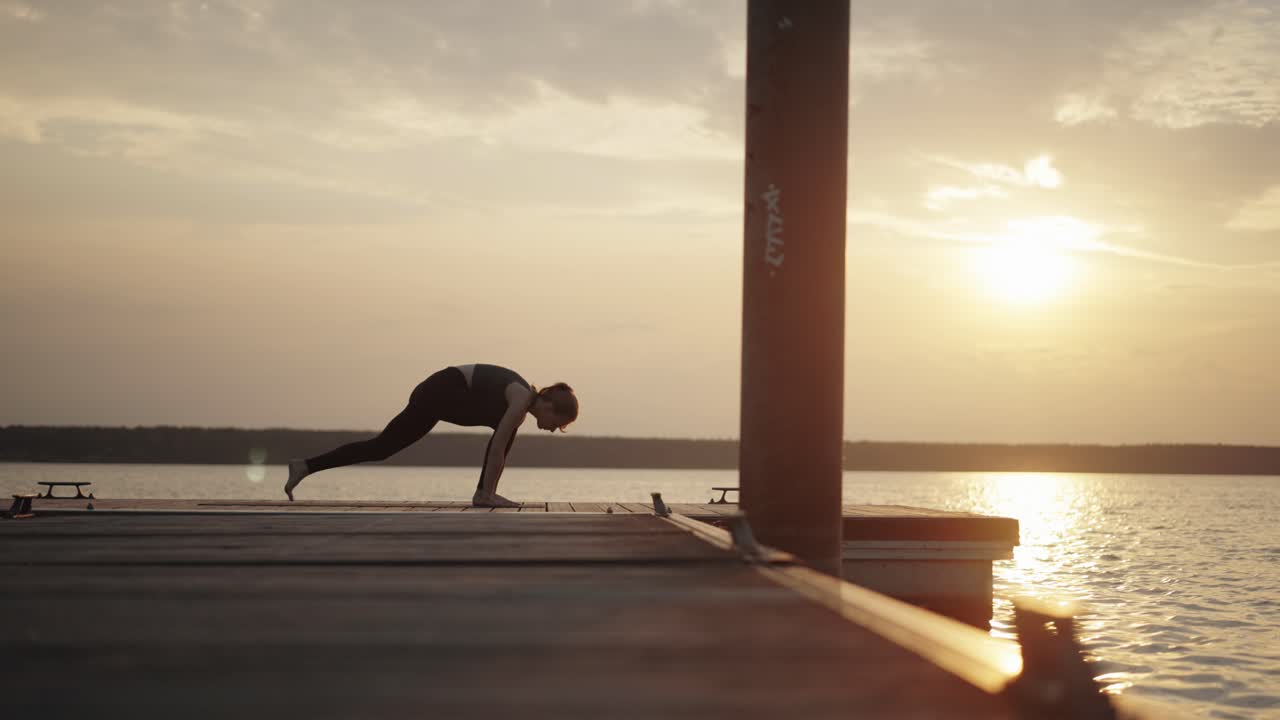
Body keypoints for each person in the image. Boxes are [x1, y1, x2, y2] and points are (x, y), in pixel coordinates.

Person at [283, 364, 577, 507]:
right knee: (505, 432)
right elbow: (498, 445)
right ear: (550, 405)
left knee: (381, 448)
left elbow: (499, 445)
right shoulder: (520, 398)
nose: (554, 429)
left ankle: (305, 466)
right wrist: (488, 495)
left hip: (441, 393)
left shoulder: (519, 405)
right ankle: (484, 494)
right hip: (442, 389)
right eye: (558, 423)